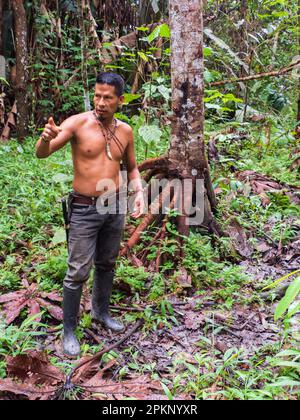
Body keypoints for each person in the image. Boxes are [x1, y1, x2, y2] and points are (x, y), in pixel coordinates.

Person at [35, 72, 145, 358]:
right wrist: (45, 139)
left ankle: (100, 313)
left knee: (107, 263)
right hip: (84, 207)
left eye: (108, 97)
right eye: (97, 95)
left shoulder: (126, 131)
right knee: (77, 271)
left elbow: (132, 167)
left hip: (114, 205)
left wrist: (139, 193)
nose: (101, 102)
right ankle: (69, 330)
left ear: (121, 100)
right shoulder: (77, 123)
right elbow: (42, 154)